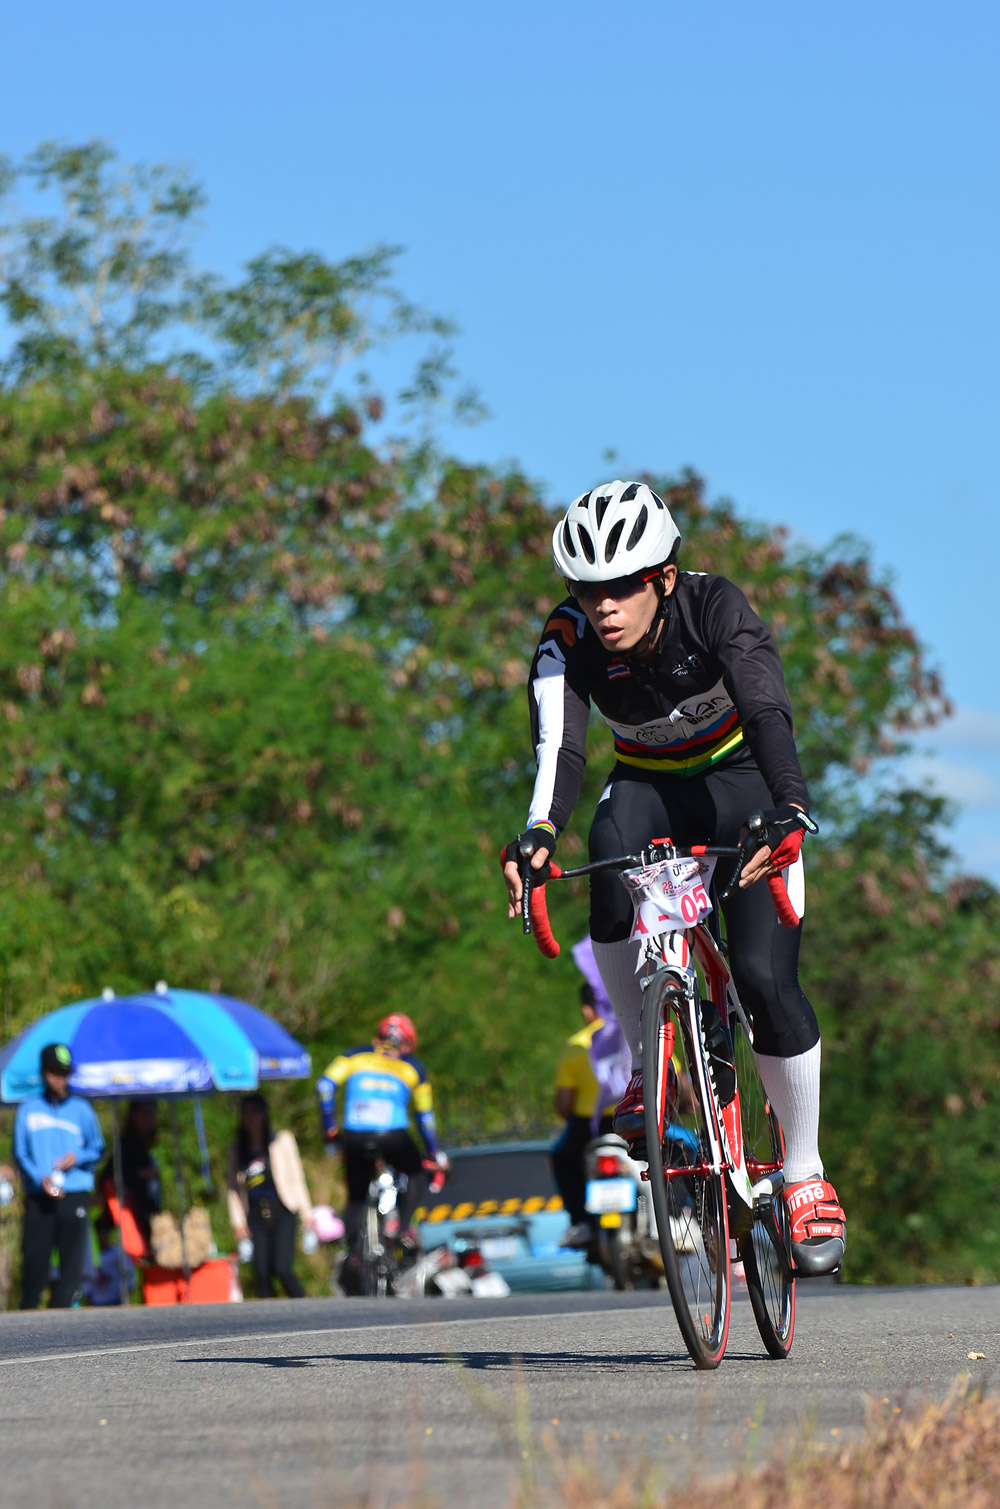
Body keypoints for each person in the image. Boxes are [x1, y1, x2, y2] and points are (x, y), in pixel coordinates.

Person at [501, 479, 845, 1275]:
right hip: (649, 788)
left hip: (742, 786)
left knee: (763, 974)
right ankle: (644, 1070)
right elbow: (561, 747)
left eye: (622, 586)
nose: (604, 606)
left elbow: (766, 710)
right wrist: (538, 835)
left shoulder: (714, 607)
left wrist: (790, 806)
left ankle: (804, 1173)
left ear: (661, 577)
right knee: (607, 847)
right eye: (587, 589)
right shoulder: (567, 638)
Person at [316, 1013, 448, 1276]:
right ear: (407, 1043)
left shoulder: (354, 1055)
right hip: (393, 1135)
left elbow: (324, 1087)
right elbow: (425, 1117)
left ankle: (353, 1253)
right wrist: (433, 1151)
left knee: (356, 1195)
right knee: (415, 1172)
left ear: (378, 1037)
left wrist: (329, 1128)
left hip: (355, 1135)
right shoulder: (413, 1067)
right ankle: (403, 1228)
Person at [13, 1042, 106, 1308]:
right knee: (35, 1262)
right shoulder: (29, 1109)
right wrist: (38, 1177)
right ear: (44, 1073)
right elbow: (20, 1152)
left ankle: (62, 1316)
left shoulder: (82, 1109)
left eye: (65, 1073)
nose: (61, 1079)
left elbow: (97, 1147)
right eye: (55, 1072)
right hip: (40, 1195)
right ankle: (27, 1316)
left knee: (72, 1266)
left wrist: (78, 1157)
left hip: (73, 1192)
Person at [226, 1093, 314, 1299]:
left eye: (255, 1112)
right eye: (246, 1113)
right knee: (262, 1273)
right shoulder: (237, 1148)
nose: (250, 1118)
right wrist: (238, 1221)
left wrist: (307, 1213)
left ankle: (307, 1308)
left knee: (282, 1269)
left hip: (282, 1209)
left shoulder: (281, 1140)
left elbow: (296, 1177)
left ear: (264, 1114)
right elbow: (233, 1188)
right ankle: (268, 1316)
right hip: (255, 1213)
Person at [552, 984, 620, 1249]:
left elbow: (564, 1104)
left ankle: (582, 1222)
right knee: (683, 1148)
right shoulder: (636, 1034)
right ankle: (680, 1214)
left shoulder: (577, 1045)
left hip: (589, 1129)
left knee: (560, 1158)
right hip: (637, 1121)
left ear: (587, 1010)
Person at [98, 1098, 162, 1252]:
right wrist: (140, 1174)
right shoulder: (127, 1144)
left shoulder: (144, 1144)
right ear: (133, 1115)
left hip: (146, 1217)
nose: (150, 1118)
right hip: (129, 1220)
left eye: (152, 1113)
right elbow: (108, 1178)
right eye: (145, 1113)